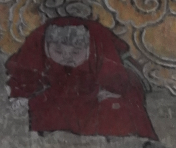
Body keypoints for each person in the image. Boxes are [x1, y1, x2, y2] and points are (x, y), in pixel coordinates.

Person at [5, 17, 158, 139]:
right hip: (60, 98)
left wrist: (107, 92)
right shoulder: (40, 56)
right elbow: (25, 80)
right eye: (58, 51)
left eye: (75, 52)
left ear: (88, 48)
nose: (67, 57)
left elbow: (117, 82)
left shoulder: (102, 57)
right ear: (46, 47)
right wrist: (22, 98)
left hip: (95, 98)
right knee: (42, 106)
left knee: (112, 108)